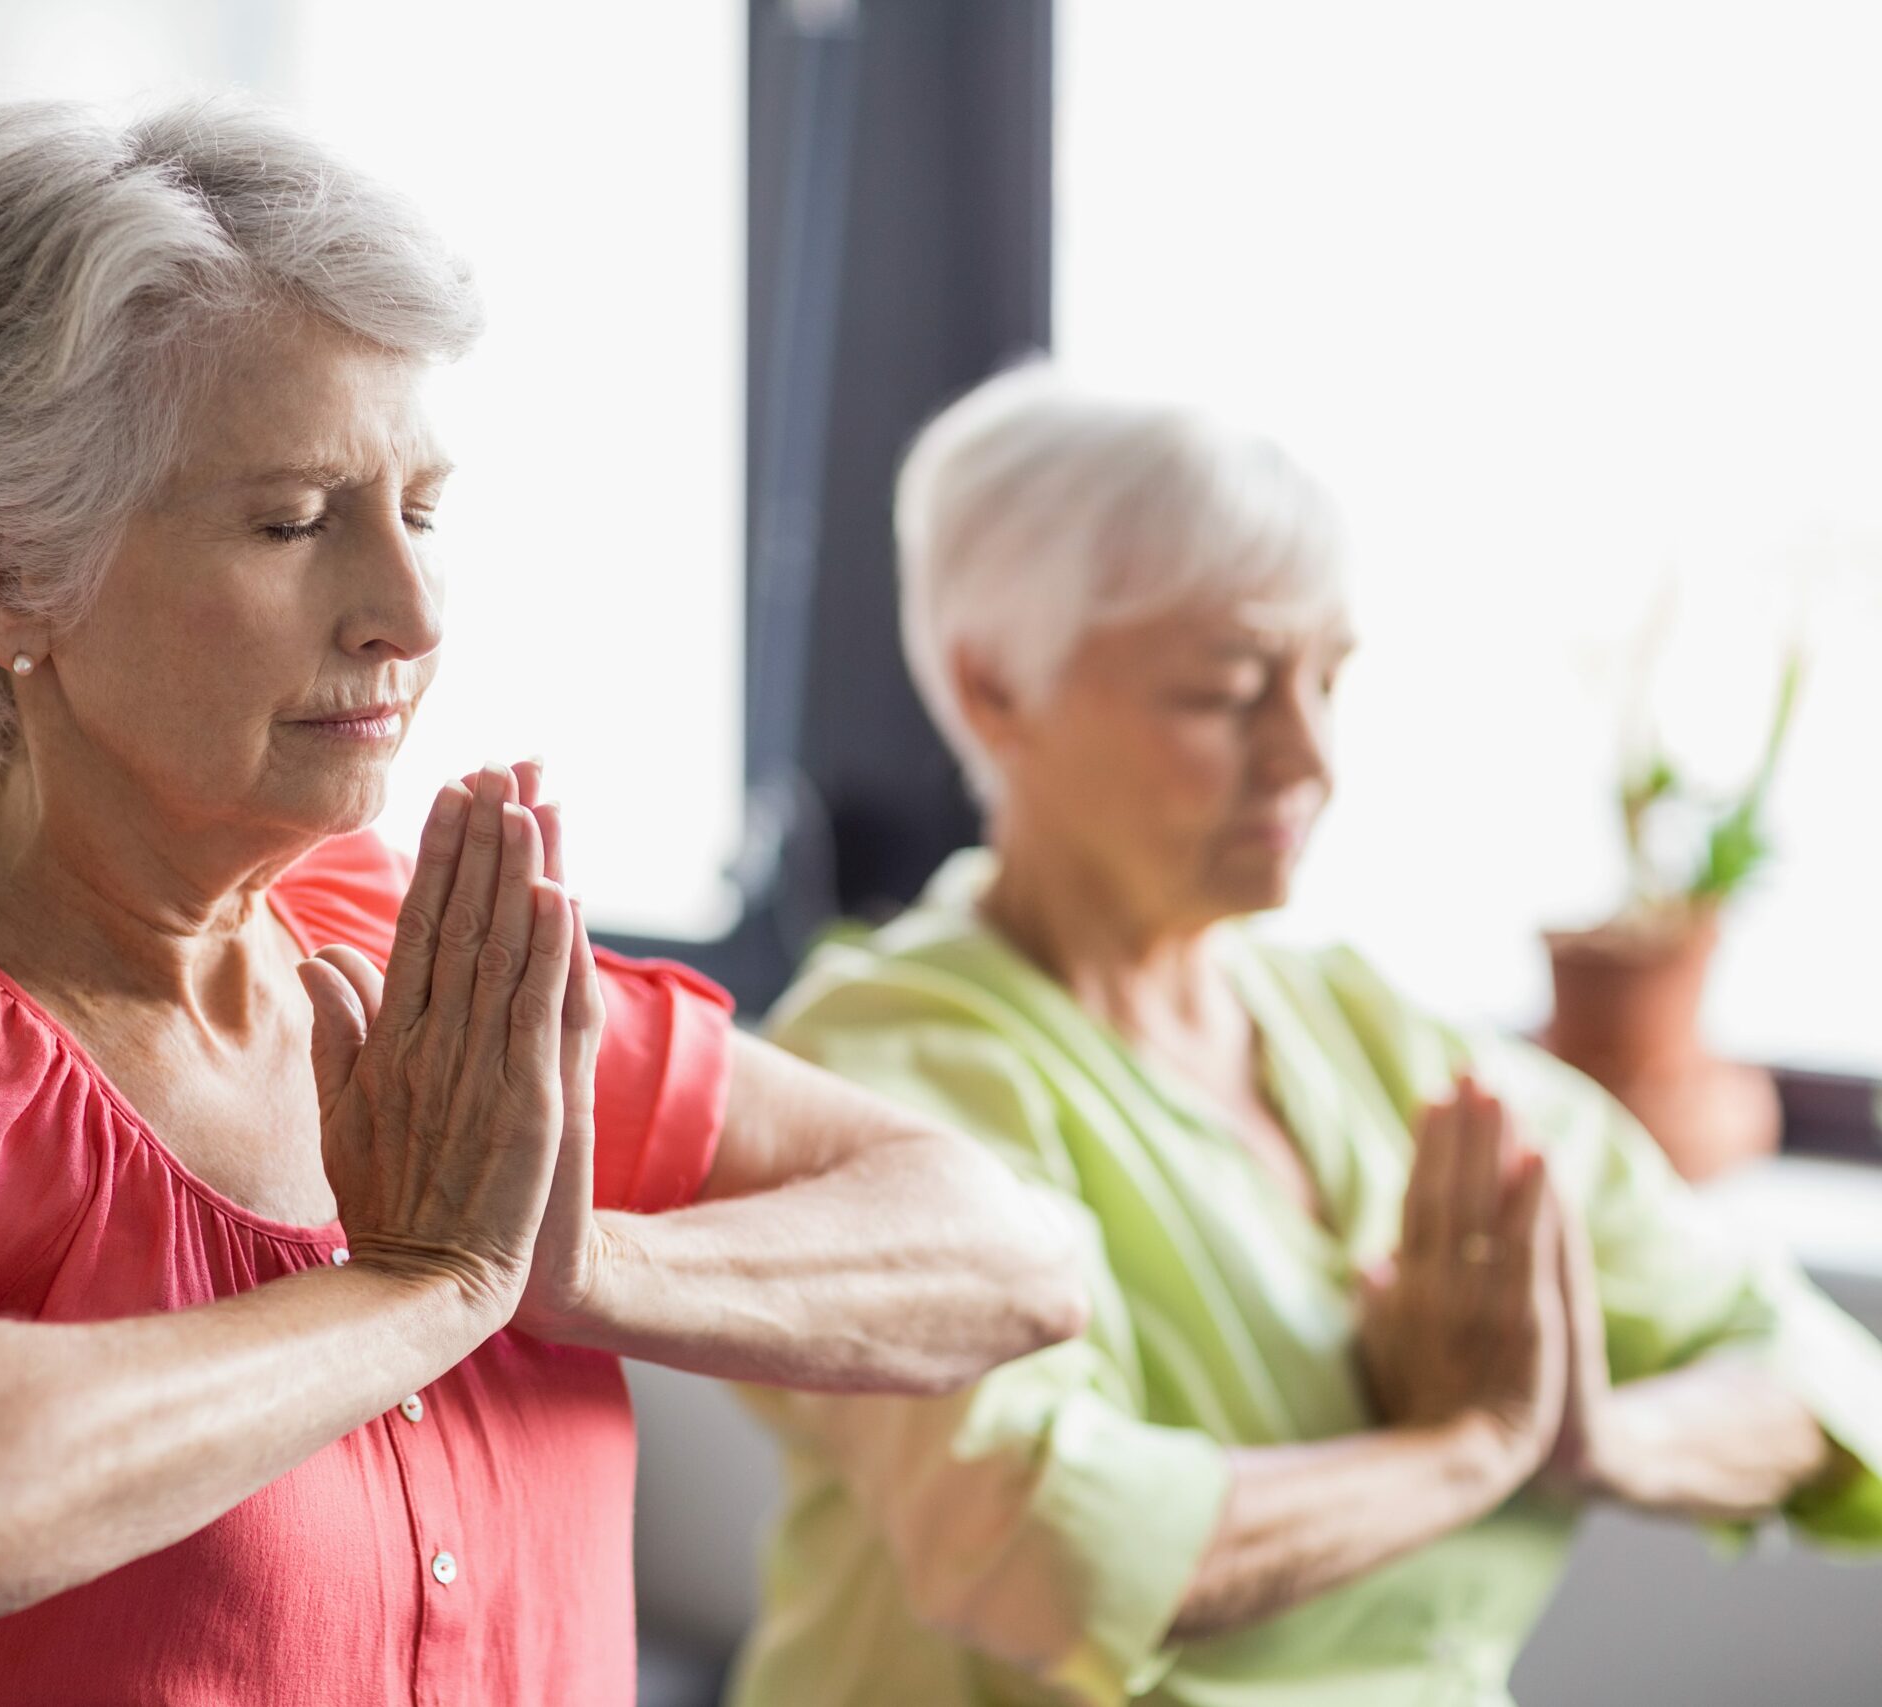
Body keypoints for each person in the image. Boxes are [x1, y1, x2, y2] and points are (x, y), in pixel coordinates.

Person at [0, 95, 1089, 1704]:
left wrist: (564, 1274)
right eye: (293, 521)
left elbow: (1016, 1255)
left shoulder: (412, 944)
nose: (407, 610)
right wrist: (417, 1290)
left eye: (422, 511)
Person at [726, 364, 1882, 1707]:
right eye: (1227, 692)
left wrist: (1591, 1437)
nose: (1308, 758)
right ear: (995, 690)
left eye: (1329, 680)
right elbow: (1042, 1549)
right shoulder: (882, 1061)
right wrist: (1467, 1448)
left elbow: (1820, 1373)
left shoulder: (1365, 1032)